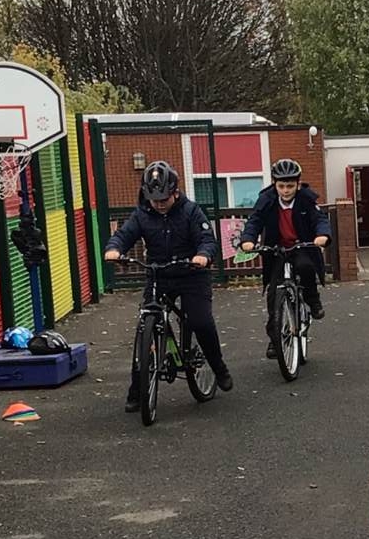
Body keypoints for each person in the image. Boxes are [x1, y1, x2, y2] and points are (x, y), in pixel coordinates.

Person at [104, 160, 232, 409]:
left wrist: (203, 255)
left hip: (191, 273)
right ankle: (137, 391)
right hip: (159, 274)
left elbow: (207, 239)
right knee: (145, 325)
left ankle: (218, 367)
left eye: (164, 199)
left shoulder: (191, 211)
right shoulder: (142, 214)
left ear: (175, 192)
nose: (160, 204)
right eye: (154, 200)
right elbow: (123, 235)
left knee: (200, 321)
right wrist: (114, 249)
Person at [239, 159, 331, 357]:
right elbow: (255, 220)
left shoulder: (306, 199)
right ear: (275, 184)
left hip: (300, 245)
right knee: (274, 294)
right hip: (276, 249)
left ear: (298, 184)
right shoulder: (267, 200)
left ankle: (312, 299)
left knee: (305, 267)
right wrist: (247, 239)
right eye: (281, 186)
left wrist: (322, 235)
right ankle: (275, 340)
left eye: (290, 186)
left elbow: (319, 219)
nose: (286, 191)